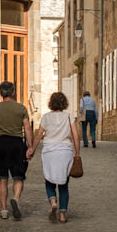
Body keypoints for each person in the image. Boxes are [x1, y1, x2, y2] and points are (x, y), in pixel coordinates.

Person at [29, 92, 80, 223]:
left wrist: (32, 150)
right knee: (64, 183)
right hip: (65, 151)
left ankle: (52, 202)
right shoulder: (69, 117)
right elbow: (75, 136)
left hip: (49, 152)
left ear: (51, 103)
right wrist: (77, 153)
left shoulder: (46, 117)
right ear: (64, 103)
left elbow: (39, 135)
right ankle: (62, 215)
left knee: (49, 179)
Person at [0, 81, 33, 220]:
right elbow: (27, 128)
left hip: (0, 145)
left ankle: (4, 210)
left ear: (1, 93)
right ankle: (16, 199)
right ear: (13, 92)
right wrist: (30, 147)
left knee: (2, 178)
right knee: (18, 177)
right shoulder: (21, 108)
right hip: (16, 145)